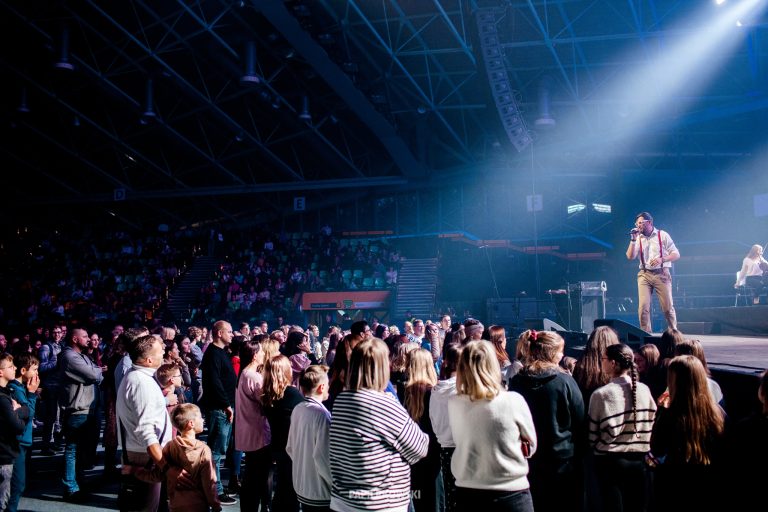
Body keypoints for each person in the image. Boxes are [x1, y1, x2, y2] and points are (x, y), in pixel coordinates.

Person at [329, 338, 428, 512]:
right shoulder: (382, 404)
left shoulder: (341, 400)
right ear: (382, 367)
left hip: (343, 500)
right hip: (380, 503)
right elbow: (420, 447)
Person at [449, 340, 537, 512]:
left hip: (467, 489)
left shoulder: (454, 402)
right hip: (511, 490)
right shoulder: (513, 400)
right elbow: (531, 446)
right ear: (493, 365)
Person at [509, 330, 585, 512]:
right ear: (551, 353)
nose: (563, 355)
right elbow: (580, 419)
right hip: (563, 461)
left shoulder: (518, 381)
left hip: (530, 460)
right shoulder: (565, 381)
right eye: (561, 351)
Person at [648, 355, 726, 512]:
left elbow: (657, 449)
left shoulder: (670, 415)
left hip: (675, 485)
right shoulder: (719, 413)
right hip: (708, 484)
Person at [588, 343, 656, 512]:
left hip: (610, 462)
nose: (600, 362)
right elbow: (652, 420)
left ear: (613, 363)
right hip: (640, 461)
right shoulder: (645, 390)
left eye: (603, 359)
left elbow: (592, 433)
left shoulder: (601, 395)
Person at [116, 334, 174, 512]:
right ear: (149, 360)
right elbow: (146, 431)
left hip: (145, 454)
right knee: (146, 507)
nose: (164, 350)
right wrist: (166, 466)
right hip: (146, 457)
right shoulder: (141, 383)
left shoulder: (140, 377)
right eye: (160, 349)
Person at [131, 403, 221, 512]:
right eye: (200, 417)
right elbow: (209, 483)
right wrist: (215, 505)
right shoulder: (203, 450)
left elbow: (157, 475)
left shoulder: (170, 447)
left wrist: (135, 470)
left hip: (175, 505)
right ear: (191, 423)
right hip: (199, 505)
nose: (203, 420)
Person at [58, 327, 104, 502]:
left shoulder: (83, 356)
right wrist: (97, 372)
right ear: (75, 339)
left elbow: (96, 374)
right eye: (84, 336)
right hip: (77, 410)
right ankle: (70, 487)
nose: (88, 339)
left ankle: (78, 483)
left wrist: (96, 373)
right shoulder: (69, 357)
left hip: (86, 409)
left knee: (81, 450)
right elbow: (94, 373)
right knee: (72, 449)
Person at [198, 320, 238, 505]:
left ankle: (216, 486)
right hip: (220, 408)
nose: (232, 334)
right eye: (229, 331)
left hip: (224, 407)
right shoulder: (213, 354)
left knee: (218, 451)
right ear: (219, 333)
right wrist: (226, 406)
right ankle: (215, 490)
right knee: (215, 451)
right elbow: (214, 383)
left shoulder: (221, 352)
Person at [286, 365, 332, 512]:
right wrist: (336, 485)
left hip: (302, 486)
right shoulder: (322, 416)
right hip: (320, 491)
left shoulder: (298, 409)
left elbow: (290, 448)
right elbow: (324, 458)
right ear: (321, 387)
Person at [625, 211, 680, 332]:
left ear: (649, 222)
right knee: (643, 308)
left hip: (662, 273)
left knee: (667, 307)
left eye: (640, 223)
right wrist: (633, 240)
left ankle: (674, 333)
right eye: (637, 223)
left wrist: (663, 259)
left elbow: (676, 254)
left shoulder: (662, 235)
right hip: (644, 274)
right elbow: (630, 256)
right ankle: (645, 335)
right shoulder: (638, 238)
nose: (638, 225)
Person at [6, 353, 39, 512]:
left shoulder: (21, 388)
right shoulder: (16, 390)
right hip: (18, 441)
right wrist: (32, 395)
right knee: (17, 484)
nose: (37, 373)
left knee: (18, 483)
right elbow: (28, 414)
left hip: (23, 440)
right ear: (24, 370)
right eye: (34, 369)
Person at [0, 354, 29, 512]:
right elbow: (18, 426)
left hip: (7, 450)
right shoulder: (4, 399)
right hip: (4, 453)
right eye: (11, 367)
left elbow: (25, 410)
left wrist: (19, 410)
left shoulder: (8, 391)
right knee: (4, 498)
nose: (15, 369)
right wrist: (20, 414)